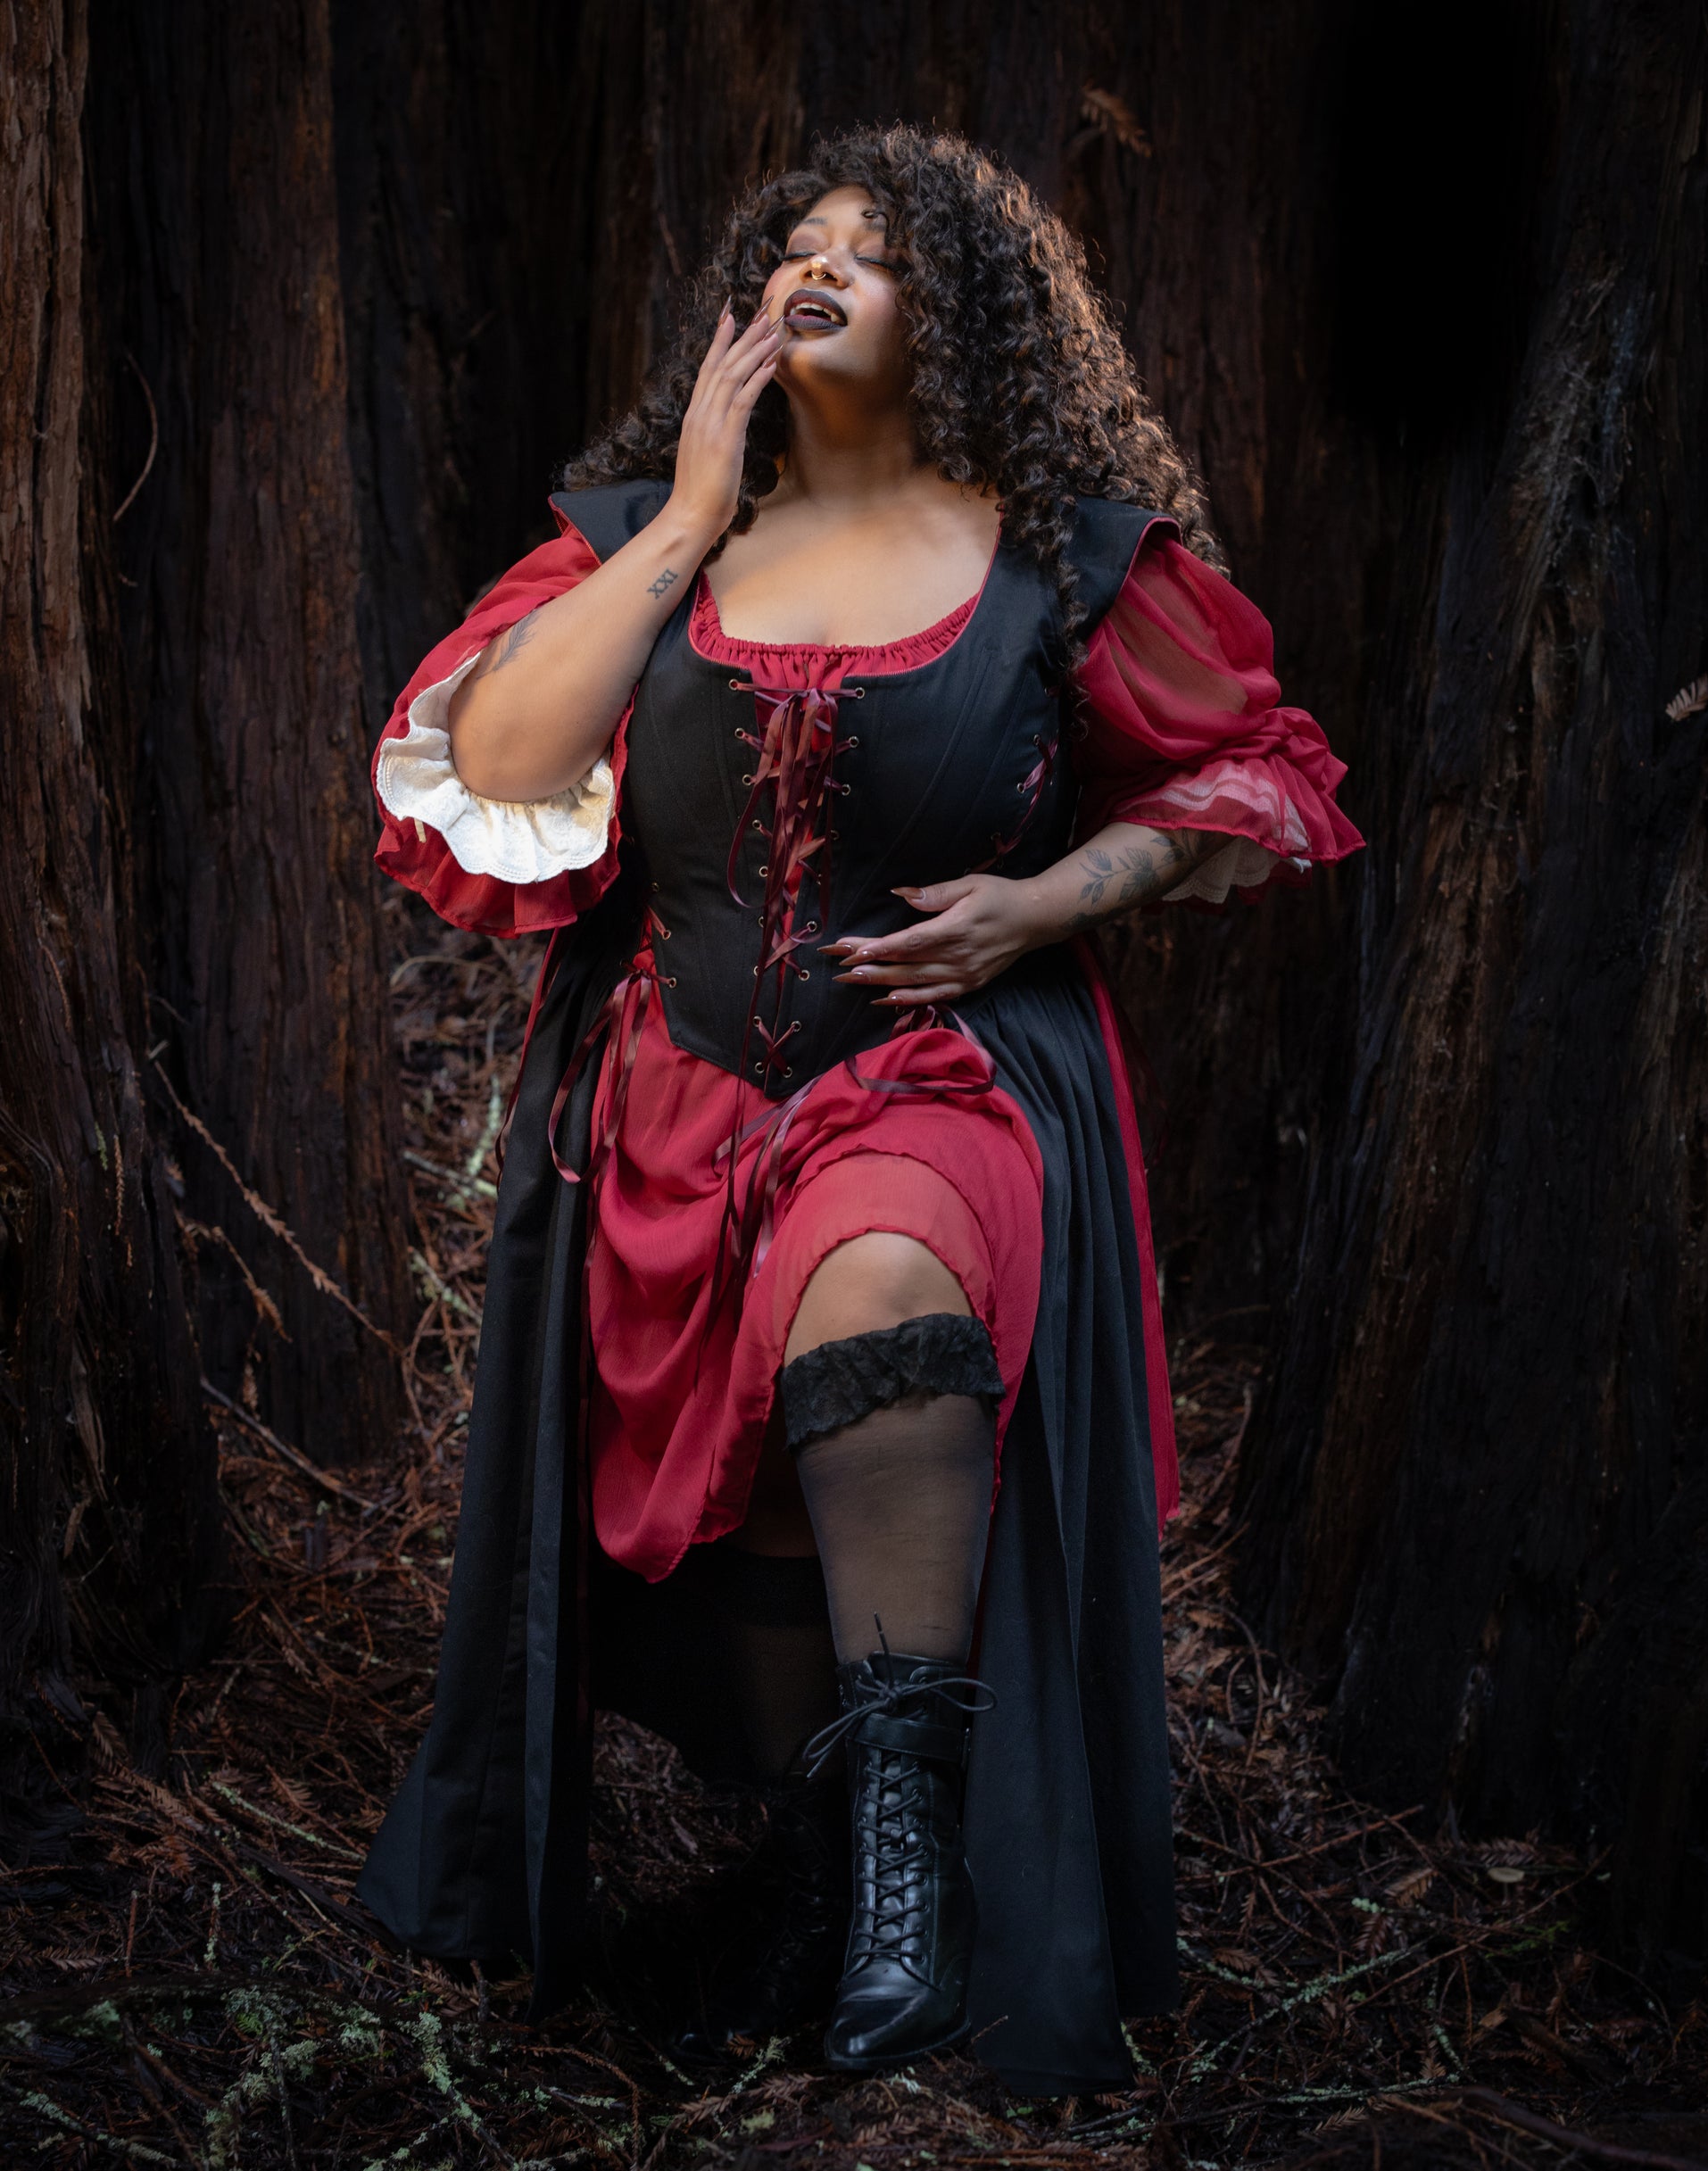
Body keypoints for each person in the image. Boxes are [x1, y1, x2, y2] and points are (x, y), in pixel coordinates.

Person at [358, 124, 1362, 2093]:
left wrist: (1043, 900)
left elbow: (1243, 774)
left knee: (882, 1275)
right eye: (793, 243)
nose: (820, 263)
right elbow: (495, 748)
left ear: (962, 318)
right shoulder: (645, 534)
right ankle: (813, 1855)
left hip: (939, 1070)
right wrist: (687, 516)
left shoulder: (1057, 554)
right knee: (752, 1507)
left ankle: (912, 1888)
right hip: (670, 1095)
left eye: (872, 251)